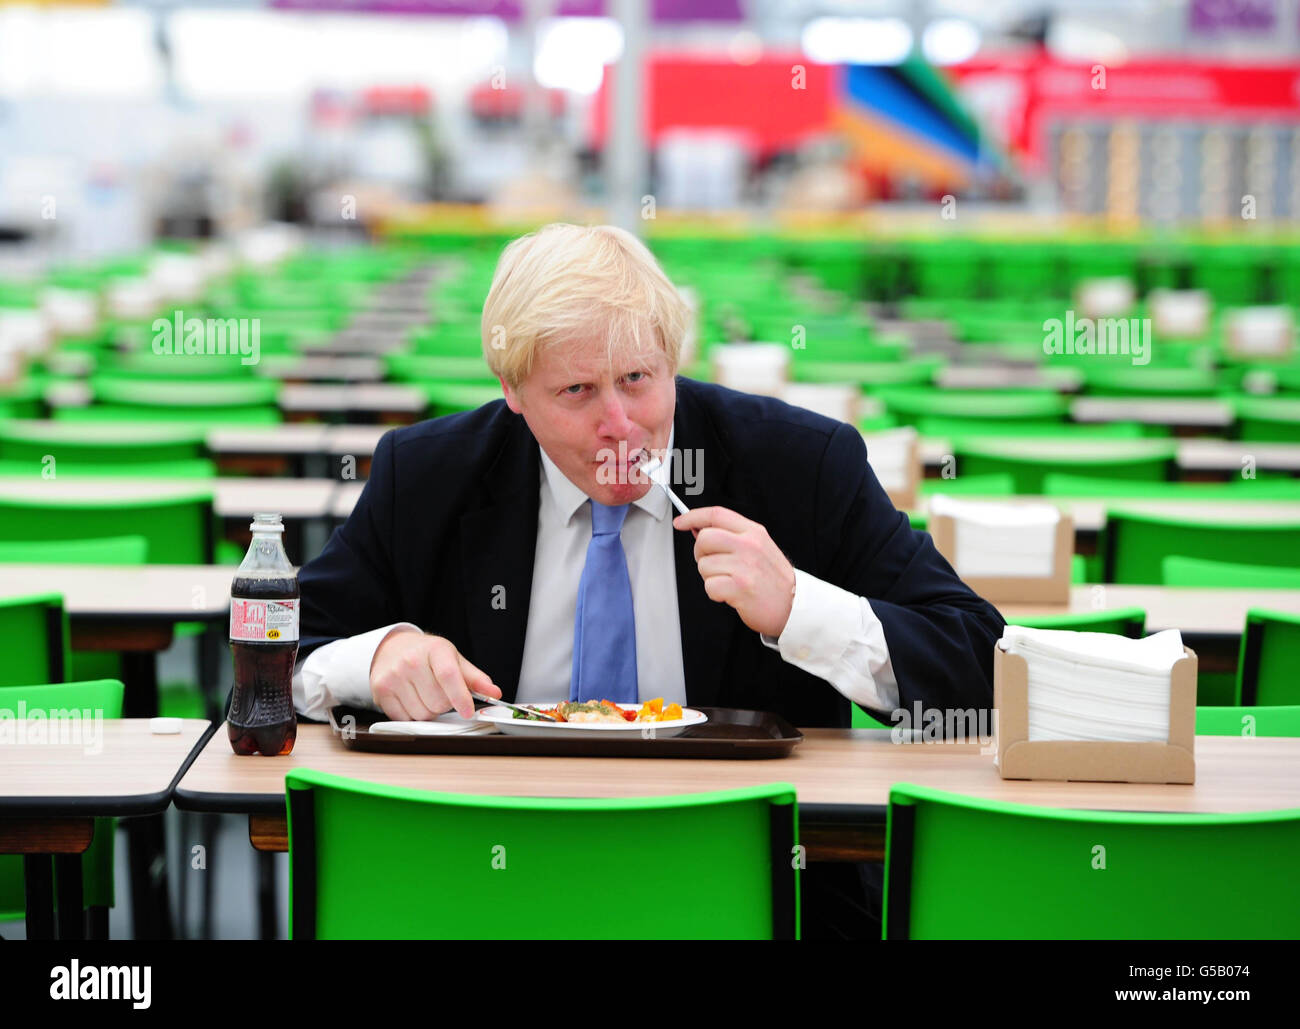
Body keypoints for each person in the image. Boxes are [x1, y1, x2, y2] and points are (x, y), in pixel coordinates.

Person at [292, 223, 1005, 937]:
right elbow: (272, 660)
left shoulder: (802, 466)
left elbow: (985, 668)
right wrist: (373, 656)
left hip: (744, 897)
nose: (621, 424)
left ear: (670, 357)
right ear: (512, 390)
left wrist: (799, 609)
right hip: (490, 882)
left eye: (637, 379)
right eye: (577, 390)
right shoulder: (426, 477)